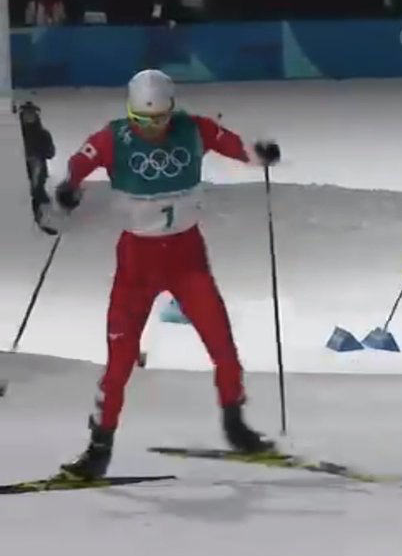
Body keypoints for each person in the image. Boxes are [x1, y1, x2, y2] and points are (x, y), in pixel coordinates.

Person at [53, 69, 281, 480]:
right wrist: (69, 187)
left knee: (222, 344)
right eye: (142, 120)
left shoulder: (192, 129)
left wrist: (259, 153)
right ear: (130, 114)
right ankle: (99, 448)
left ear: (172, 110)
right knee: (120, 362)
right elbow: (78, 163)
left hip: (186, 257)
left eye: (160, 119)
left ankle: (236, 426)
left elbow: (234, 145)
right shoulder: (113, 138)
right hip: (136, 263)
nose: (152, 128)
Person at [17, 100, 56, 230]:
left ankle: (38, 214)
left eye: (31, 114)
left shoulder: (43, 134)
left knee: (37, 190)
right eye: (26, 114)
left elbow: (51, 153)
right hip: (21, 169)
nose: (29, 117)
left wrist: (40, 153)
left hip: (38, 168)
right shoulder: (16, 135)